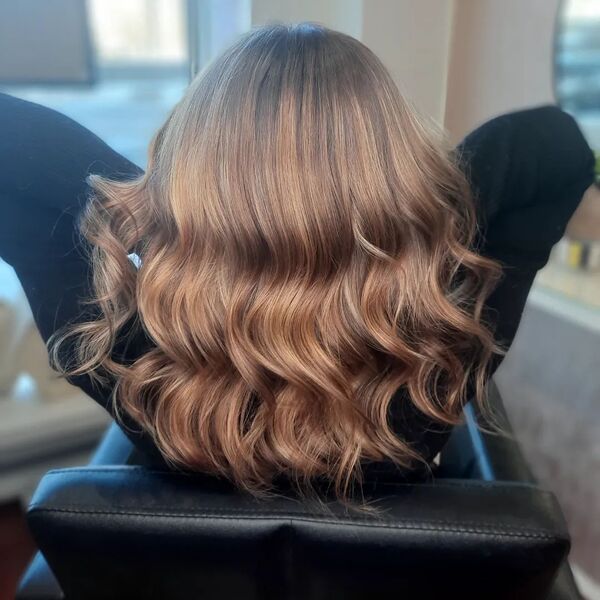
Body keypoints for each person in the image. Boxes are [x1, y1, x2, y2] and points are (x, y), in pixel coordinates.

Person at [0, 23, 595, 502]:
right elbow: (555, 142)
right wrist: (420, 215)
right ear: (393, 181)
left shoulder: (125, 361)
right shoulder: (443, 350)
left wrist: (160, 211)